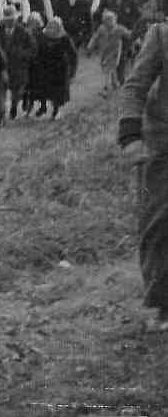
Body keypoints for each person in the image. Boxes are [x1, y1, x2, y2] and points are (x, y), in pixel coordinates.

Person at [118, 21, 168, 332]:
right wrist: (130, 134)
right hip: (163, 141)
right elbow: (135, 87)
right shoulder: (162, 35)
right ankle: (164, 304)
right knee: (158, 222)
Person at [0, 6, 37, 124]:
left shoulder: (24, 32)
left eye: (12, 19)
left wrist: (22, 55)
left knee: (17, 92)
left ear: (16, 19)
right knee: (0, 91)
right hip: (1, 67)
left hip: (18, 68)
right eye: (7, 19)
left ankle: (14, 105)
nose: (9, 22)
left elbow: (33, 49)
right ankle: (1, 115)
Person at [34, 18, 78, 119]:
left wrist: (72, 70)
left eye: (54, 27)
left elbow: (73, 54)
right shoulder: (42, 37)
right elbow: (37, 50)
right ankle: (43, 107)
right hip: (45, 66)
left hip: (60, 68)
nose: (52, 29)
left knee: (57, 91)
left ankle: (56, 110)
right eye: (50, 27)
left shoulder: (65, 38)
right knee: (43, 88)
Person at [87, 10, 132, 94]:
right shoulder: (102, 28)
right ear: (104, 21)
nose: (110, 22)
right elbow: (95, 37)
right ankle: (116, 84)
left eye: (112, 20)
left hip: (115, 53)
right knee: (112, 69)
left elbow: (129, 34)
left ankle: (107, 89)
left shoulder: (119, 28)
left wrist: (136, 36)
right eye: (107, 20)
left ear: (115, 20)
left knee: (107, 70)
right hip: (104, 52)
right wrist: (90, 47)